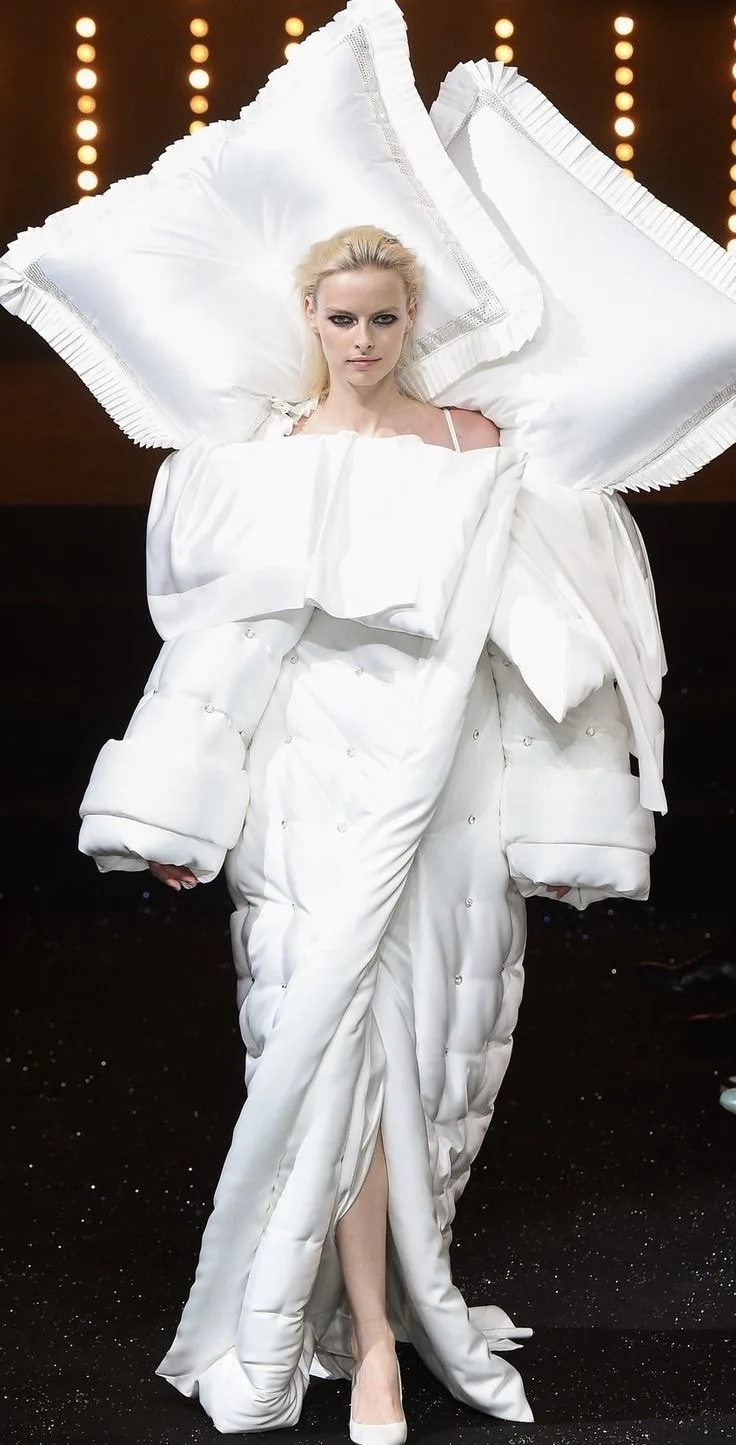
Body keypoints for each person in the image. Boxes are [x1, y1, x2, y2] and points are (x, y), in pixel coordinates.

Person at [79, 225, 655, 1438]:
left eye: (383, 317)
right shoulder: (267, 460)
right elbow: (223, 647)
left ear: (411, 320)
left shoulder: (475, 444)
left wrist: (564, 824)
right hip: (307, 775)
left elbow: (548, 648)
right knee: (328, 1046)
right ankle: (379, 1342)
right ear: (307, 315)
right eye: (340, 317)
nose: (361, 340)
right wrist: (177, 806)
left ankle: (383, 1301)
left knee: (431, 1054)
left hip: (448, 777)